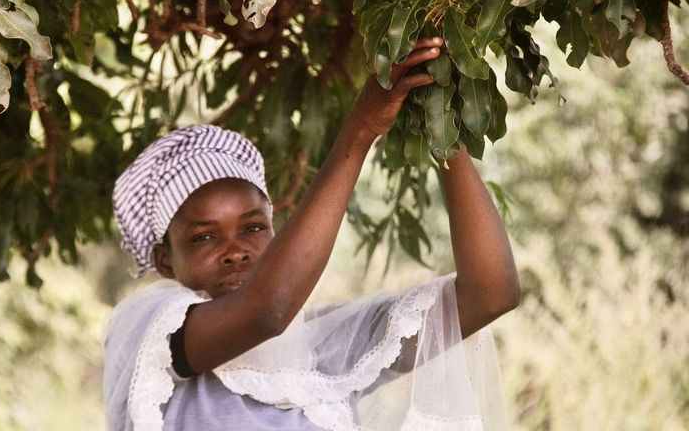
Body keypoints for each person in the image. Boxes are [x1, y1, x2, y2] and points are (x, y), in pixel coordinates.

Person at [103, 37, 520, 431]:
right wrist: (360, 132)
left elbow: (490, 294)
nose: (235, 251)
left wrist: (441, 125)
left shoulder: (322, 346)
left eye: (252, 228)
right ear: (163, 260)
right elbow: (267, 311)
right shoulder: (148, 330)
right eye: (204, 237)